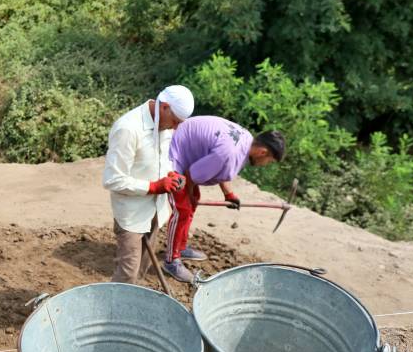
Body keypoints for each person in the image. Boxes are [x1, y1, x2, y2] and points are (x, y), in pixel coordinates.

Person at [163, 117, 286, 282]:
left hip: (185, 147)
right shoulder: (231, 153)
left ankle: (181, 246)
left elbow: (218, 164)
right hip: (173, 153)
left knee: (192, 199)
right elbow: (191, 175)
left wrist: (228, 194)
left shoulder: (245, 139)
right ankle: (171, 260)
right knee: (183, 208)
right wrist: (189, 195)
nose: (266, 164)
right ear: (262, 152)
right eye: (269, 161)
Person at [102, 85, 194, 285]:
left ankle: (132, 303)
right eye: (175, 121)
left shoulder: (164, 126)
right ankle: (114, 310)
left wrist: (172, 175)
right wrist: (154, 187)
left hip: (156, 211)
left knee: (142, 269)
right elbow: (112, 179)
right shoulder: (128, 128)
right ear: (165, 108)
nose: (176, 127)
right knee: (127, 274)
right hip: (132, 215)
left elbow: (162, 160)